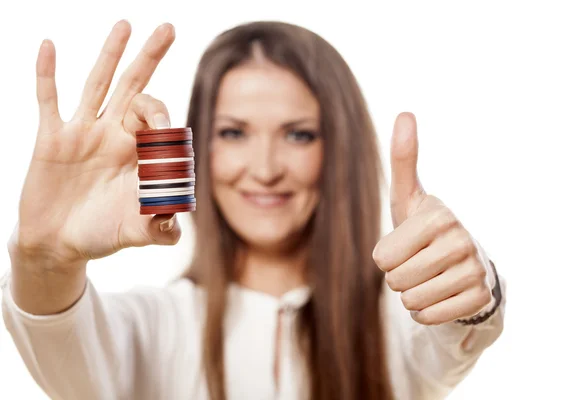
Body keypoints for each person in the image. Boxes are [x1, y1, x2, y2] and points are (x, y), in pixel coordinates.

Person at [1, 19, 506, 400]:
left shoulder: (397, 320)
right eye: (234, 133)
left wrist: (471, 286)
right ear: (197, 149)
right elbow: (64, 341)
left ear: (338, 149)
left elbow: (455, 332)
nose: (264, 169)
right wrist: (44, 258)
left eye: (298, 134)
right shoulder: (154, 329)